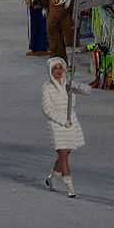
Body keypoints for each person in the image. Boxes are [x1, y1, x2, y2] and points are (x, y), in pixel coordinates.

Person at [42, 57, 88, 198]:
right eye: (55, 68)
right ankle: (70, 187)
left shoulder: (69, 83)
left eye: (60, 68)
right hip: (58, 124)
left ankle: (53, 177)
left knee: (65, 154)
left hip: (72, 121)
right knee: (63, 157)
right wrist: (62, 121)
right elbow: (47, 109)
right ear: (50, 70)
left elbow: (88, 91)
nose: (58, 71)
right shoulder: (47, 88)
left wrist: (77, 86)